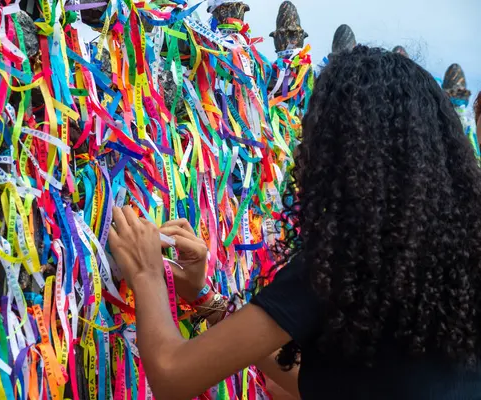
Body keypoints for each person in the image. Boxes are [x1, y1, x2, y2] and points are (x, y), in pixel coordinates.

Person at [108, 46, 481, 399]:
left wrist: (146, 273)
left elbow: (172, 375)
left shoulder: (346, 263)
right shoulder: (460, 264)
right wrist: (206, 299)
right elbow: (316, 381)